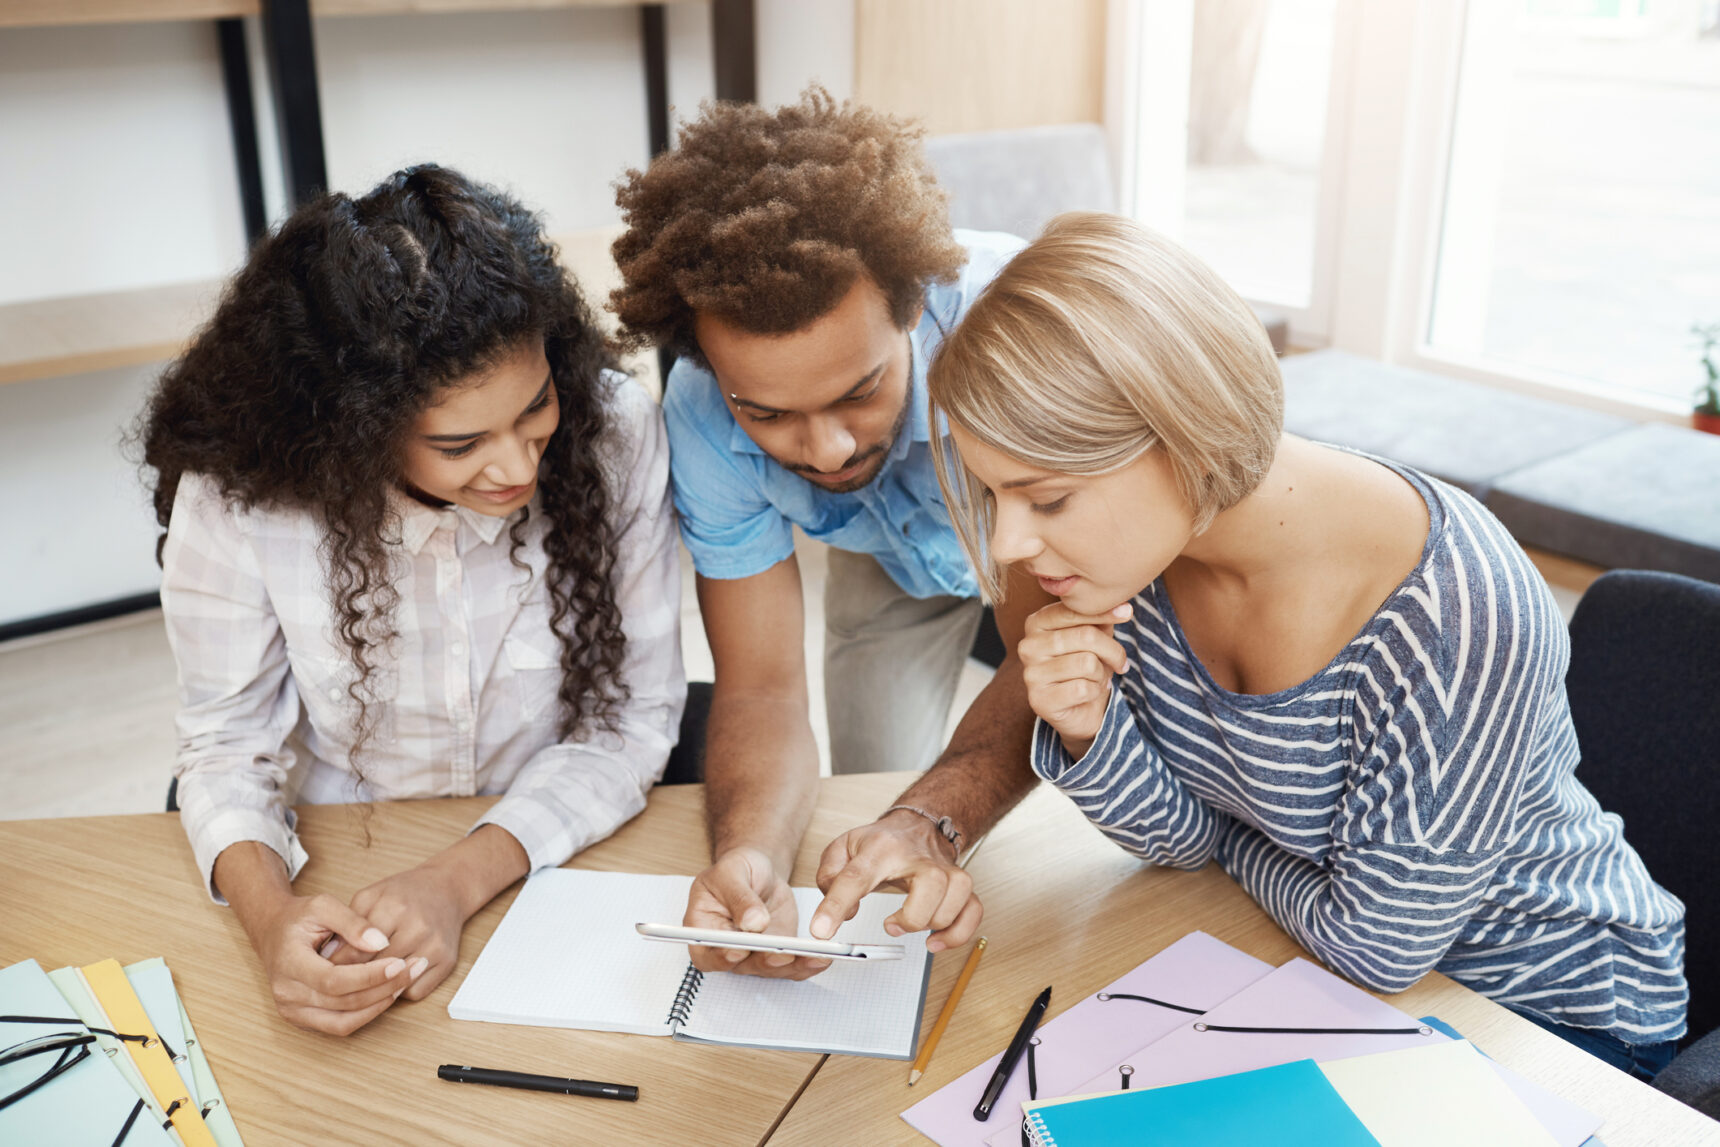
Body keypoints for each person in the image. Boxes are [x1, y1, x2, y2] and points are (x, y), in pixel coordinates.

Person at [911, 210, 1688, 1076]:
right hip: (1330, 976)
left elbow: (1374, 949)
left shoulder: (1459, 613)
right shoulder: (1132, 567)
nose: (1012, 544)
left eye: (1046, 499)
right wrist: (1090, 730)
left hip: (1553, 1012)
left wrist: (1227, 843)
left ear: (1183, 436)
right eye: (996, 497)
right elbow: (1172, 840)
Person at [139, 165, 685, 1036]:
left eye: (535, 406)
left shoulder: (613, 428)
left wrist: (456, 880)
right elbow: (223, 746)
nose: (517, 467)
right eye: (461, 442)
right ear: (354, 426)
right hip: (339, 861)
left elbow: (630, 720)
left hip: (542, 854)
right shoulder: (243, 494)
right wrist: (274, 918)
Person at [609, 89, 1055, 979]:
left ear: (914, 307)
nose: (829, 448)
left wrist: (933, 820)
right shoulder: (700, 416)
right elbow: (765, 689)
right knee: (874, 804)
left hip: (1044, 548)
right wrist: (749, 856)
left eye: (859, 390)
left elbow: (1047, 649)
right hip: (888, 563)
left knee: (978, 804)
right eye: (768, 413)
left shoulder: (1017, 335)